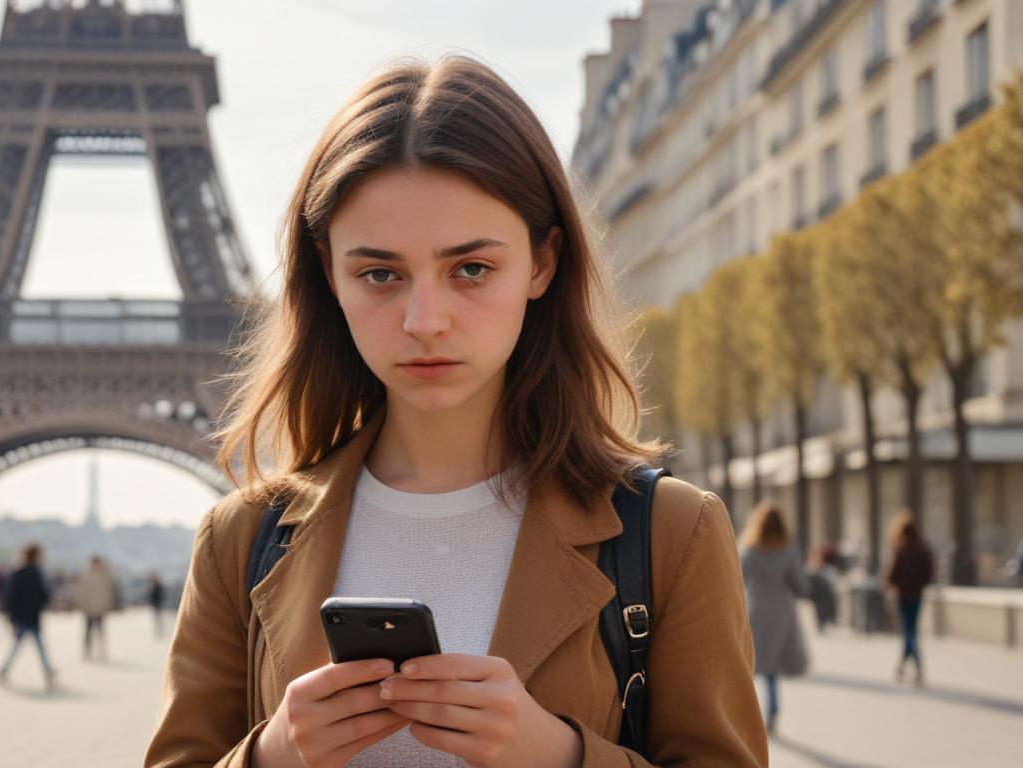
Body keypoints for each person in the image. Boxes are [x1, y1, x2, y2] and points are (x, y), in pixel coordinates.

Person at [145, 55, 768, 767]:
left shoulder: (671, 533)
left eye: (471, 269)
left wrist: (560, 755)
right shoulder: (238, 539)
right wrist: (274, 754)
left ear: (542, 263)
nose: (425, 319)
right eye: (379, 273)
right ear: (329, 275)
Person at [739, 503, 809, 736]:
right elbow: (800, 586)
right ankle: (773, 711)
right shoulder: (789, 551)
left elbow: (738, 580)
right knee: (772, 669)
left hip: (756, 612)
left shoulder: (750, 550)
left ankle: (747, 716)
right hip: (781, 613)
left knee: (751, 664)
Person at [882, 511, 934, 686]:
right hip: (917, 593)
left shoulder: (900, 549)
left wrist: (891, 587)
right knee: (911, 629)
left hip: (903, 594)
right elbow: (929, 573)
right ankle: (903, 667)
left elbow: (891, 574)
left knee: (909, 630)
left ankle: (915, 665)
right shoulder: (922, 548)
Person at [0, 542, 56, 689]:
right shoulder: (37, 572)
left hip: (21, 615)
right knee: (37, 645)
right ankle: (47, 671)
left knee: (18, 645)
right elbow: (43, 595)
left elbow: (9, 596)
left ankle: (4, 669)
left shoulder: (18, 572)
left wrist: (8, 614)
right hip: (32, 615)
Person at [73, 556, 120, 660]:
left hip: (100, 607)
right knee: (88, 631)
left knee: (101, 630)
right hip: (88, 607)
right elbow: (81, 591)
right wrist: (81, 604)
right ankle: (87, 650)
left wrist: (109, 604)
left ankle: (101, 650)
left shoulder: (105, 575)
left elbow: (109, 592)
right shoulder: (85, 574)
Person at [805, 541, 840, 635]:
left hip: (822, 591)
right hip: (817, 591)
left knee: (824, 606)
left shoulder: (825, 567)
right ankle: (824, 622)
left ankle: (826, 621)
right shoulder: (813, 564)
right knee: (821, 607)